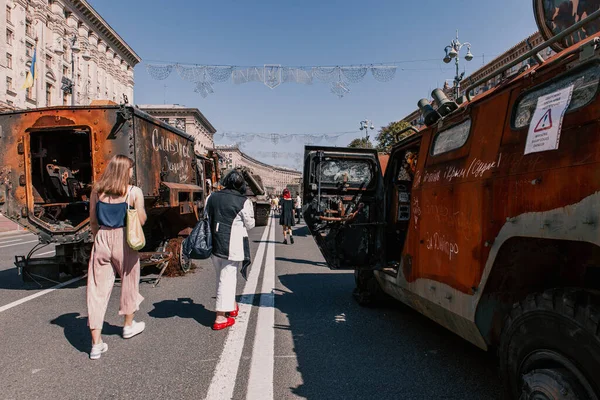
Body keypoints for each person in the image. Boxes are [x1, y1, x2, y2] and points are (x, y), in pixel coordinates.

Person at [87, 155, 147, 360]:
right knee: (129, 282)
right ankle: (128, 326)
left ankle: (96, 344)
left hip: (102, 237)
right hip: (125, 238)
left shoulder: (97, 191)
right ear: (124, 171)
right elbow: (141, 220)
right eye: (130, 168)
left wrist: (99, 239)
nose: (132, 172)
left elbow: (93, 219)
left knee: (96, 290)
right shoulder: (133, 191)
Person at [204, 170, 255, 331]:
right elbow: (250, 225)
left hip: (214, 243)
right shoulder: (243, 201)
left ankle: (231, 305)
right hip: (232, 245)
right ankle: (220, 316)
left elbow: (205, 215)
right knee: (227, 278)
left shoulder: (211, 197)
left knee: (221, 276)